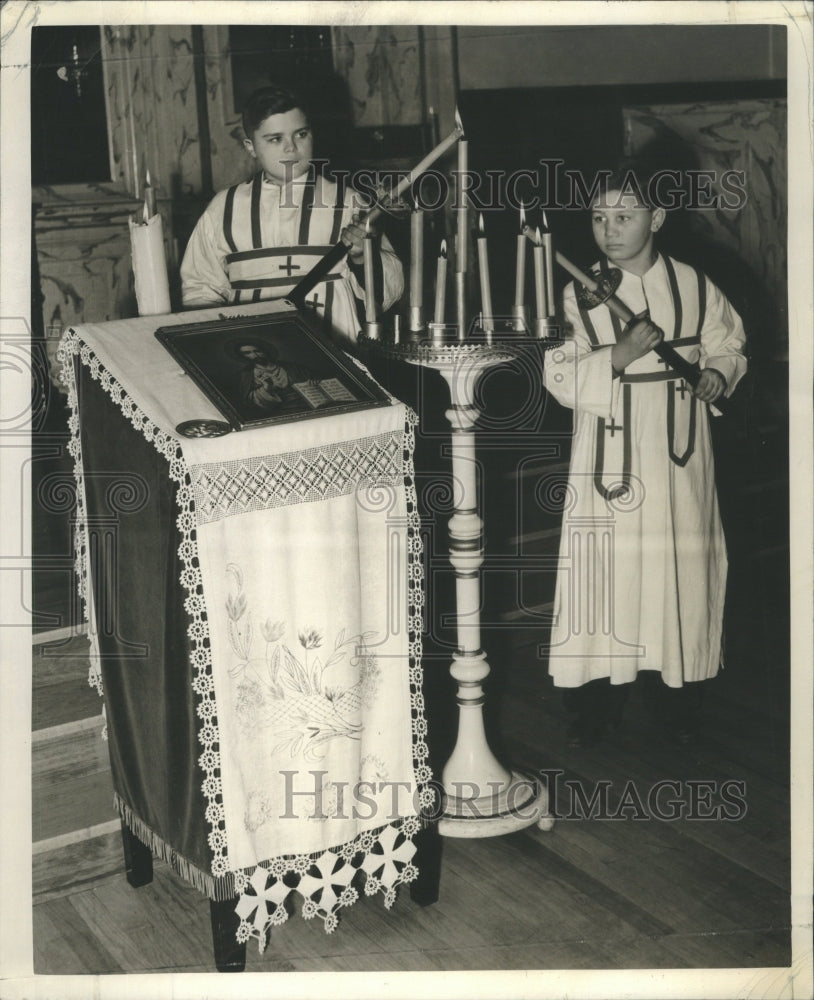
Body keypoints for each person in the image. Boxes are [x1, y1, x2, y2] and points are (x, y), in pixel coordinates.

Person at [542, 162, 747, 746]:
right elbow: (558, 374)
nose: (609, 229)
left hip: (679, 453)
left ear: (657, 218)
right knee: (607, 571)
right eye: (599, 217)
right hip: (610, 453)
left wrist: (715, 373)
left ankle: (680, 704)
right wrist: (618, 355)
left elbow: (729, 342)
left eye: (624, 216)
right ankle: (595, 708)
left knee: (680, 564)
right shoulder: (577, 293)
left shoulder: (695, 284)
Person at [181, 85, 403, 348]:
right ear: (250, 147)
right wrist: (221, 340)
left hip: (334, 343)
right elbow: (200, 287)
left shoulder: (347, 201)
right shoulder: (224, 208)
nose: (291, 148)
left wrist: (361, 256)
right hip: (254, 347)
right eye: (275, 139)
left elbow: (390, 288)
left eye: (301, 134)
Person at [230, 339, 315, 412]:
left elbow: (312, 380)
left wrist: (314, 382)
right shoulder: (245, 375)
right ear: (243, 356)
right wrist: (266, 388)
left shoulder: (291, 367)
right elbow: (248, 401)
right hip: (278, 411)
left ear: (265, 351)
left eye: (258, 351)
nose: (255, 355)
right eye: (247, 353)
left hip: (308, 406)